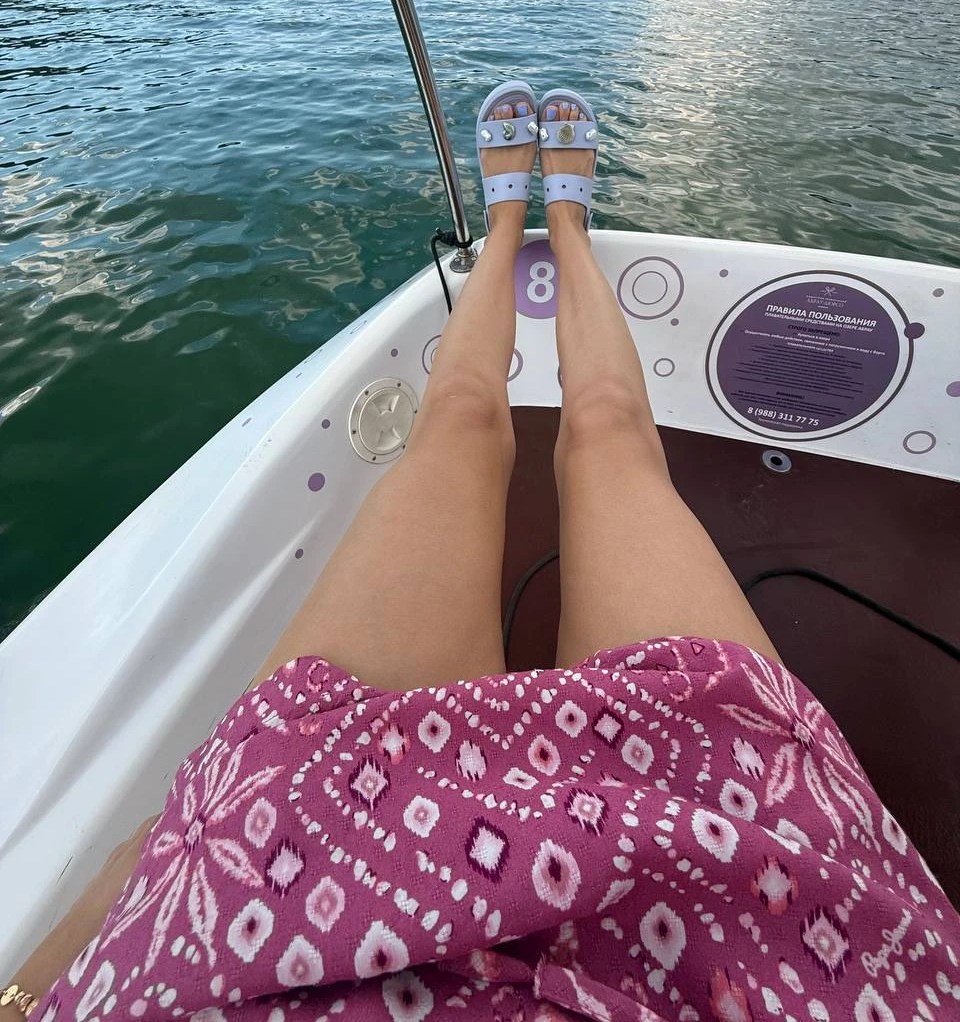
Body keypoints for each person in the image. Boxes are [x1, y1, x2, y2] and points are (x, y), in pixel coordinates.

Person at [7, 84, 958, 1022]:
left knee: (458, 419)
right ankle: (555, 227)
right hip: (736, 877)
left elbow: (83, 950)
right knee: (609, 431)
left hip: (283, 863)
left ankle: (523, 231)